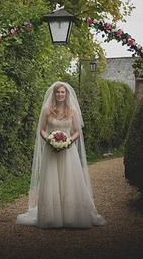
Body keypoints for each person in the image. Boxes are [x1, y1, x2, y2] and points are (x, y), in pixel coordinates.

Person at [16, 81, 106, 228]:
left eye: (62, 92)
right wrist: (49, 140)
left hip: (68, 152)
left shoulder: (72, 111)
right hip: (51, 152)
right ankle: (52, 217)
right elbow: (42, 129)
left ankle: (70, 216)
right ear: (54, 94)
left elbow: (77, 131)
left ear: (66, 94)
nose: (60, 95)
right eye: (58, 92)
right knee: (52, 181)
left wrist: (69, 140)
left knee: (68, 180)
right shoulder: (47, 110)